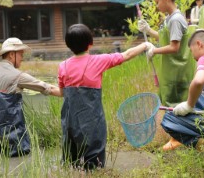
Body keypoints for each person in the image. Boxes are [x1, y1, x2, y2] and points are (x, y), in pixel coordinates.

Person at [58, 24, 152, 170]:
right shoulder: (99, 61)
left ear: (68, 45)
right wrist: (145, 44)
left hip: (70, 121)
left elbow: (62, 92)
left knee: (71, 161)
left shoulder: (62, 66)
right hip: (92, 120)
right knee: (94, 163)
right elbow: (126, 55)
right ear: (90, 43)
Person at [0, 38, 61, 157]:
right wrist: (68, 93)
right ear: (11, 54)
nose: (22, 58)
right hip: (12, 135)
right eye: (21, 54)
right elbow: (47, 88)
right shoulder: (17, 76)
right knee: (18, 160)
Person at [137, 0, 196, 107]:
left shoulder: (175, 19)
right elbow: (164, 38)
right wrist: (148, 30)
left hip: (177, 70)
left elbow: (174, 47)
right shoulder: (169, 18)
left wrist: (154, 50)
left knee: (177, 105)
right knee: (170, 104)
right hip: (170, 68)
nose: (157, 7)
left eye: (157, 2)